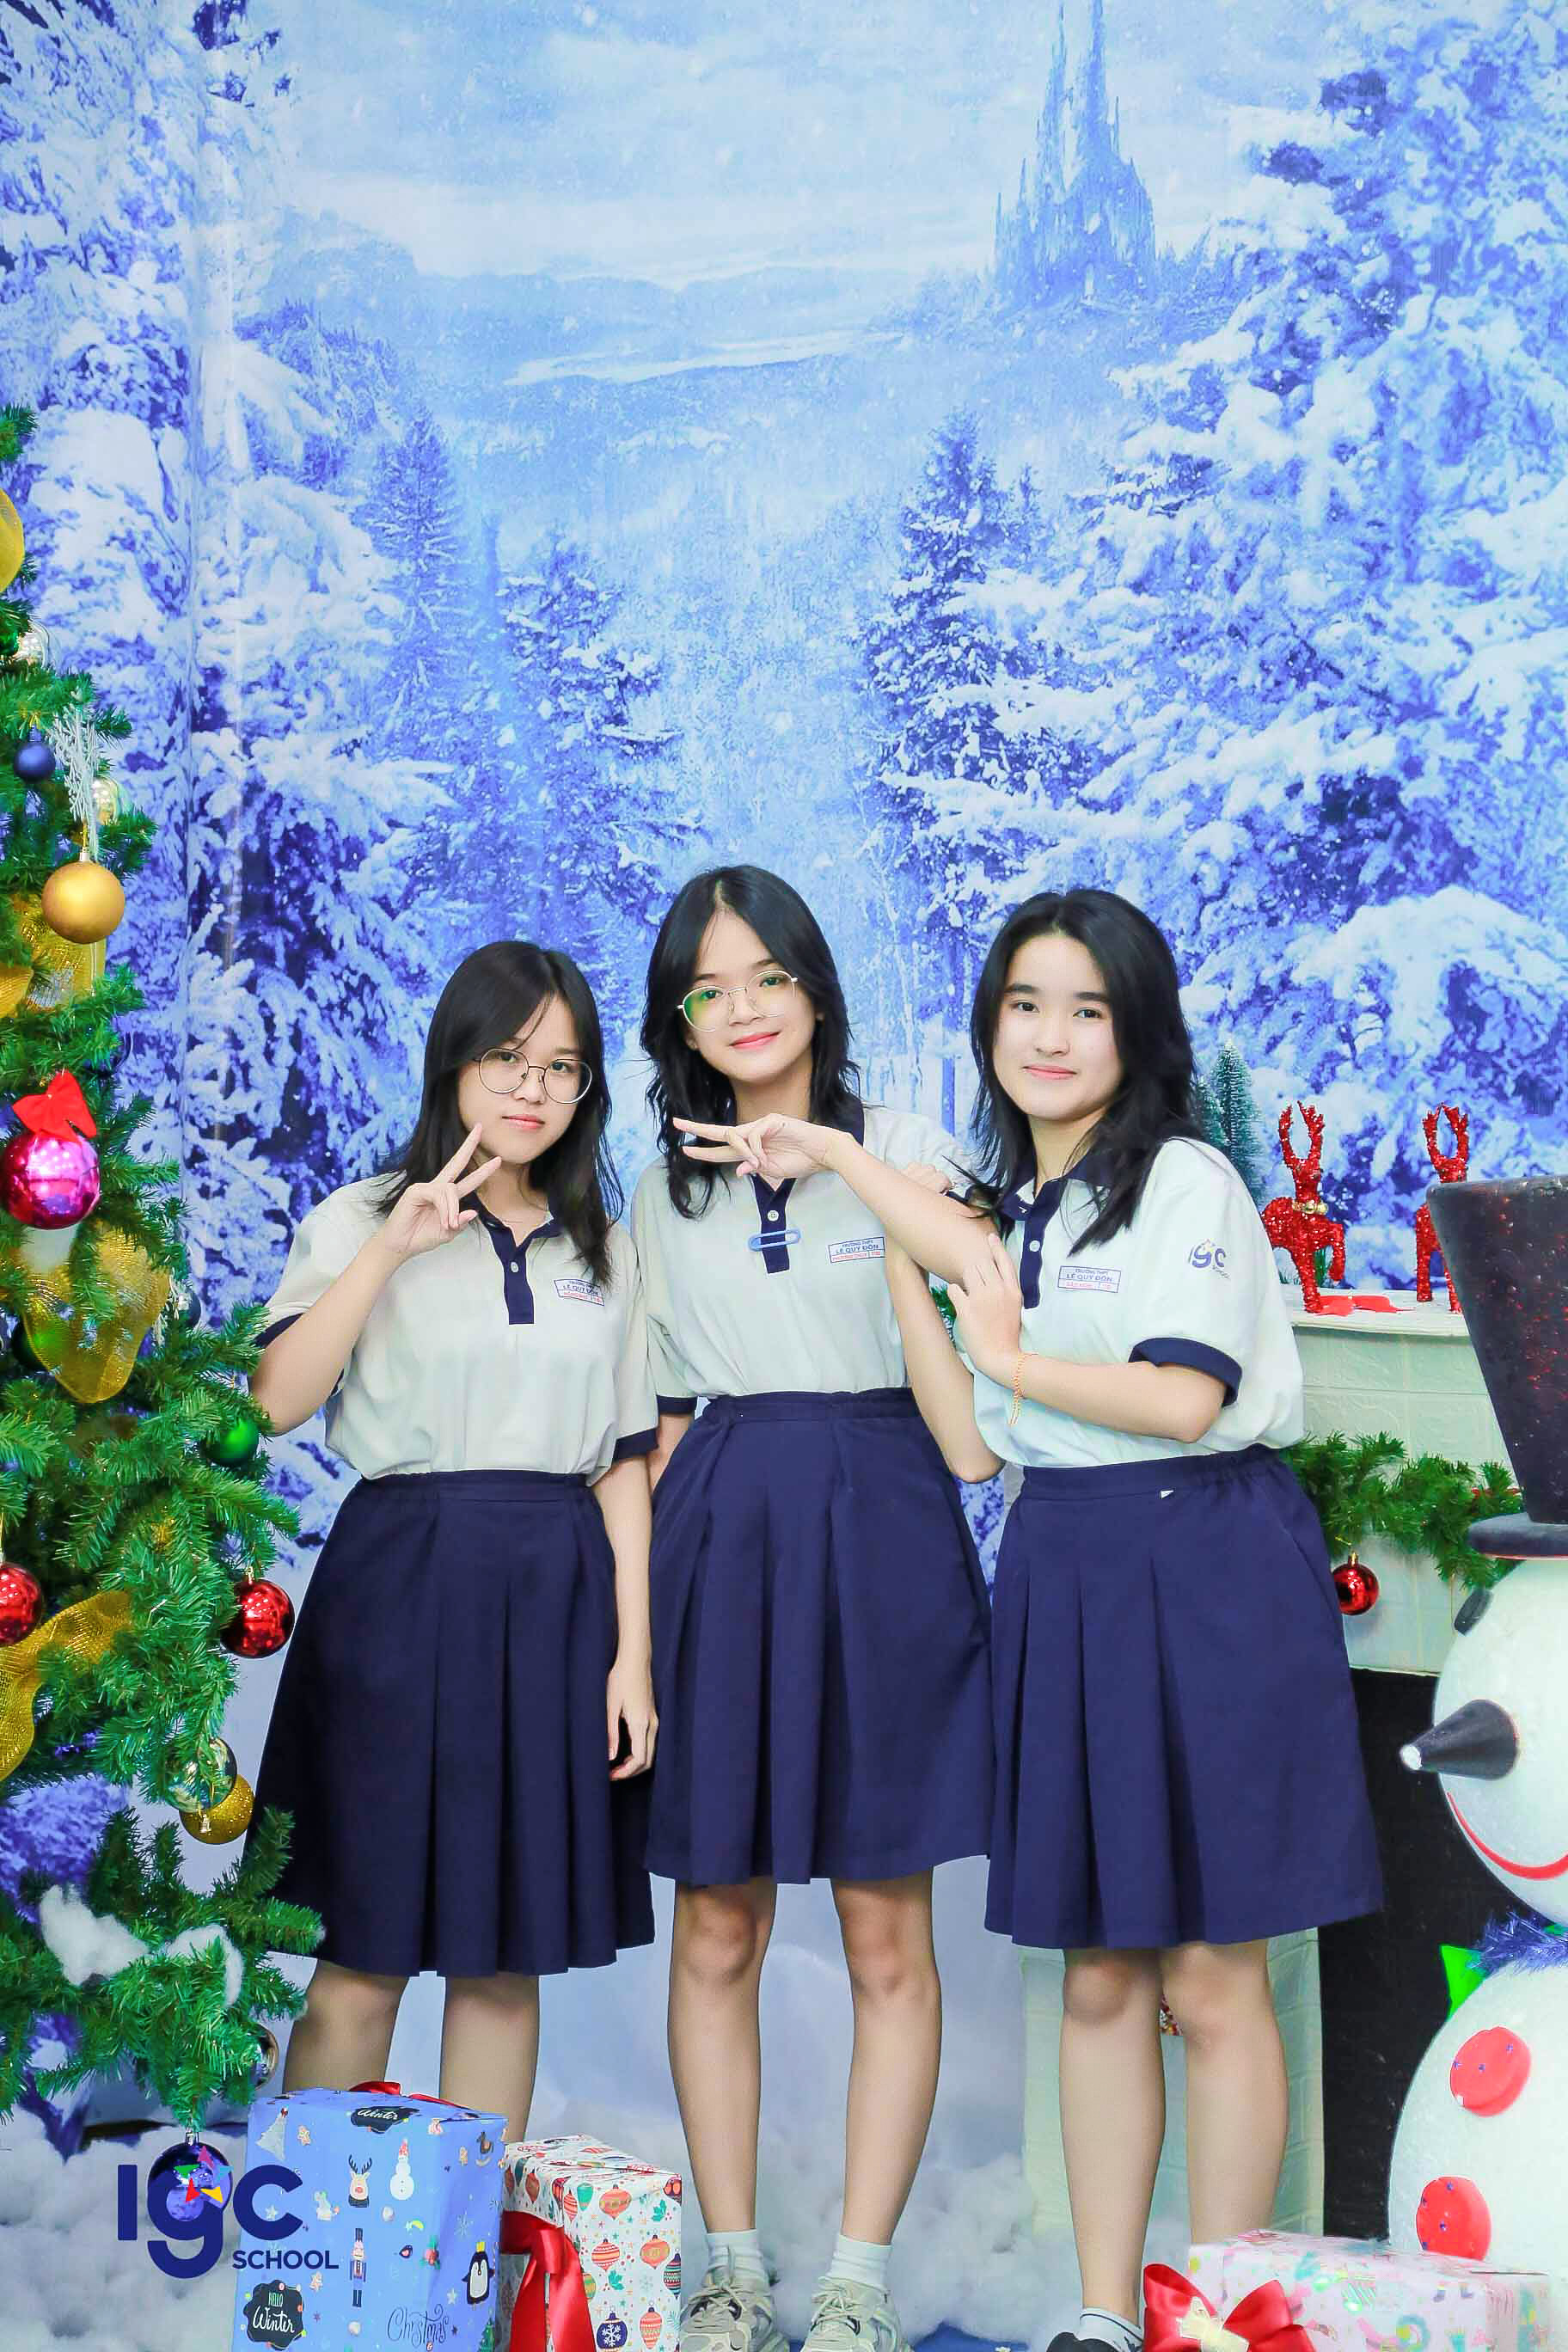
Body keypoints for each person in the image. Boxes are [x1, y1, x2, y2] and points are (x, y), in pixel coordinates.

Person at [883, 888, 1382, 2352]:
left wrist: (1008, 1355)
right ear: (990, 1027)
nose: (1050, 1036)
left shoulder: (1187, 1183)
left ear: (1137, 1030)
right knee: (1096, 1971)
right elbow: (974, 1449)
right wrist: (916, 1270)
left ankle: (1224, 2310)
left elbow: (1181, 1399)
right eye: (1024, 1005)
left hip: (1210, 1564)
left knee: (1215, 1975)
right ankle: (1106, 2313)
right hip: (1066, 1566)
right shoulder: (1014, 1217)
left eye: (1086, 1009)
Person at [632, 865, 995, 2352]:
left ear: (817, 989)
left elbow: (978, 1286)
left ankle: (858, 2282)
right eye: (707, 990)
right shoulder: (661, 1192)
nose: (742, 1009)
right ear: (678, 1023)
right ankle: (729, 2269)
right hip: (720, 1532)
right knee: (716, 1924)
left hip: (885, 1525)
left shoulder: (901, 1148)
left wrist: (837, 1155)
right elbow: (655, 1423)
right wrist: (633, 1636)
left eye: (767, 977)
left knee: (885, 1934)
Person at [247, 940, 658, 2141]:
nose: (533, 1089)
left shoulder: (602, 1247)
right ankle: (316, 2239)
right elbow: (273, 1402)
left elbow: (623, 1465)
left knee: (502, 1958)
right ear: (454, 1063)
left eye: (562, 1067)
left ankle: (462, 2242)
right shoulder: (363, 1215)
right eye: (506, 1058)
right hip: (400, 1583)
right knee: (361, 1952)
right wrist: (393, 1248)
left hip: (557, 1596)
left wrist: (631, 1659)